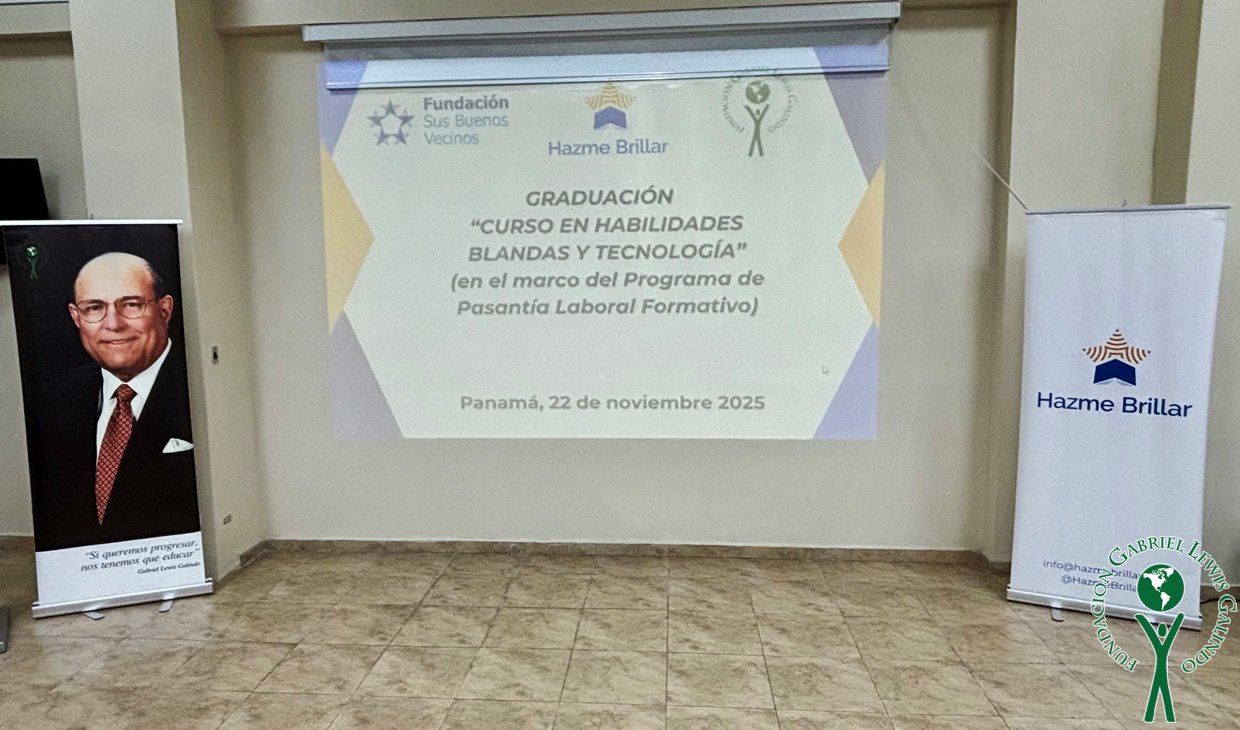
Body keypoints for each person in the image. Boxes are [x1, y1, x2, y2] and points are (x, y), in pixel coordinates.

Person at [28, 252, 200, 552]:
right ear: (76, 317)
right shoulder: (53, 402)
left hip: (167, 560)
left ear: (164, 309)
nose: (113, 324)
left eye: (131, 304)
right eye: (94, 308)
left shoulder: (199, 385)